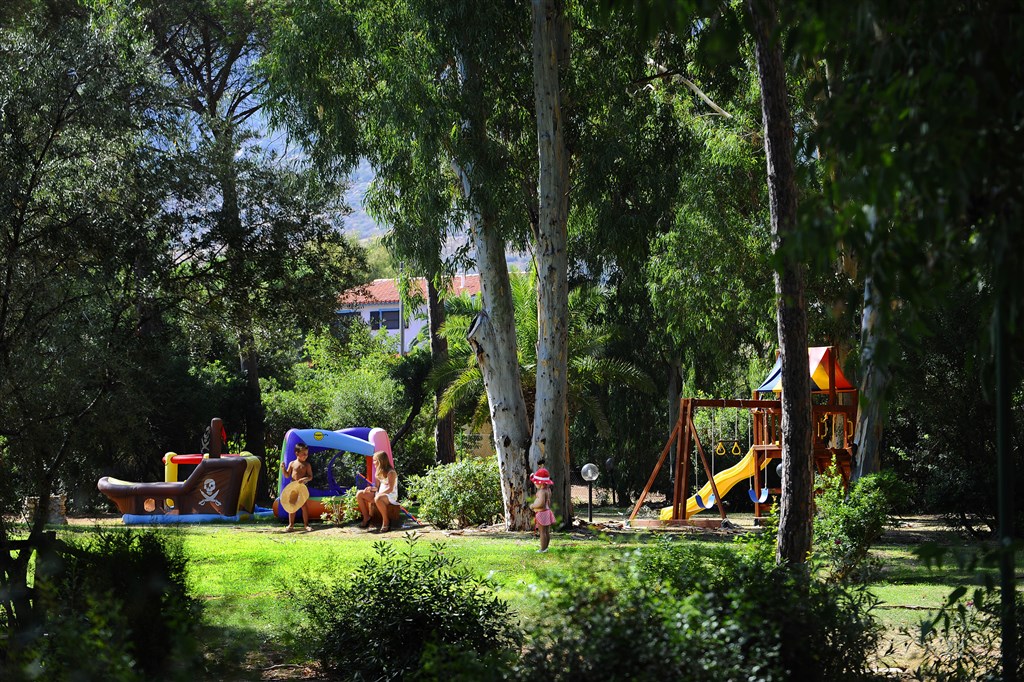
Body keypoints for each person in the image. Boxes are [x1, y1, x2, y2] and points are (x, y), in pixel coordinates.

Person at [356, 451, 399, 532]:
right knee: (360, 494)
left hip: (390, 495)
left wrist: (378, 495)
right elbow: (377, 487)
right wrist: (370, 489)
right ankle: (366, 517)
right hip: (379, 495)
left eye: (375, 460)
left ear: (380, 461)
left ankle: (386, 521)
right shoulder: (378, 472)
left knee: (378, 498)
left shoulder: (391, 472)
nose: (373, 462)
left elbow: (390, 489)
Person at [282, 442, 313, 532]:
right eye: (303, 454)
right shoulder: (292, 463)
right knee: (292, 505)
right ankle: (291, 525)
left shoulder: (307, 465)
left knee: (303, 505)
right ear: (297, 453)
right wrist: (283, 468)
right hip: (293, 487)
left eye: (306, 454)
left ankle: (306, 525)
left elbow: (310, 477)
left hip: (302, 487)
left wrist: (304, 479)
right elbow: (287, 475)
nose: (305, 456)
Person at [530, 467, 555, 553]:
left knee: (542, 532)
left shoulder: (541, 492)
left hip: (542, 513)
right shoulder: (547, 490)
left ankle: (543, 548)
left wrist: (533, 506)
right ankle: (546, 547)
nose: (534, 484)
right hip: (547, 512)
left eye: (535, 482)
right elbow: (548, 501)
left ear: (540, 483)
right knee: (546, 532)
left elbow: (541, 503)